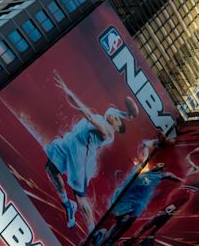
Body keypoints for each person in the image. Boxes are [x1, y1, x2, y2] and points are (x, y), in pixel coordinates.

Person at [44, 72, 139, 231]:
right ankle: (68, 205)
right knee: (51, 169)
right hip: (70, 141)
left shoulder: (108, 131)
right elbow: (128, 115)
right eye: (117, 116)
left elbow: (88, 114)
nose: (114, 115)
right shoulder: (113, 116)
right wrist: (129, 114)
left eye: (117, 119)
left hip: (81, 157)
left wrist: (68, 91)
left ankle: (92, 230)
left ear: (116, 127)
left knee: (81, 198)